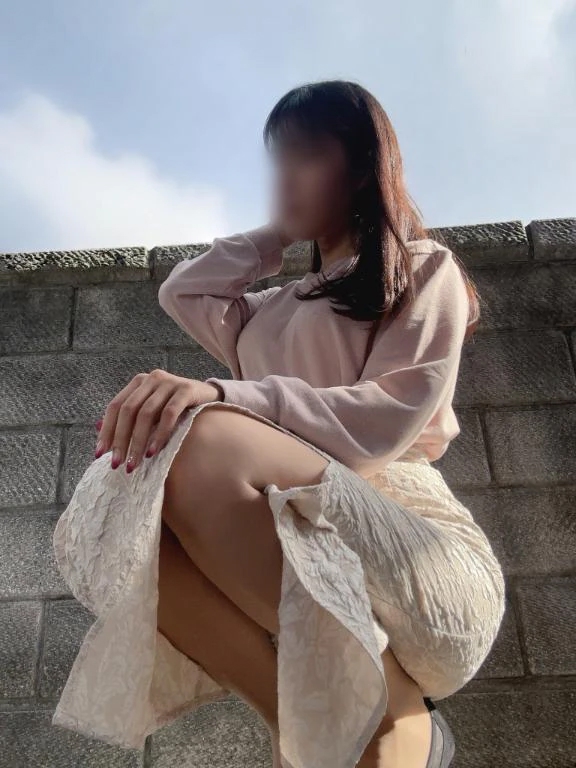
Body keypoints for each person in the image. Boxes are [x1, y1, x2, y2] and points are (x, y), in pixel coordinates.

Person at [52, 80, 506, 768]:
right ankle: (304, 721)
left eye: (308, 155)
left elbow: (385, 421)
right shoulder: (268, 309)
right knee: (121, 498)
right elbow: (183, 290)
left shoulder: (421, 268)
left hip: (411, 544)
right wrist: (283, 234)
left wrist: (222, 394)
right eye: (278, 159)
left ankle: (388, 706)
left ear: (362, 167)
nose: (285, 176)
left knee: (201, 436)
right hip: (287, 519)